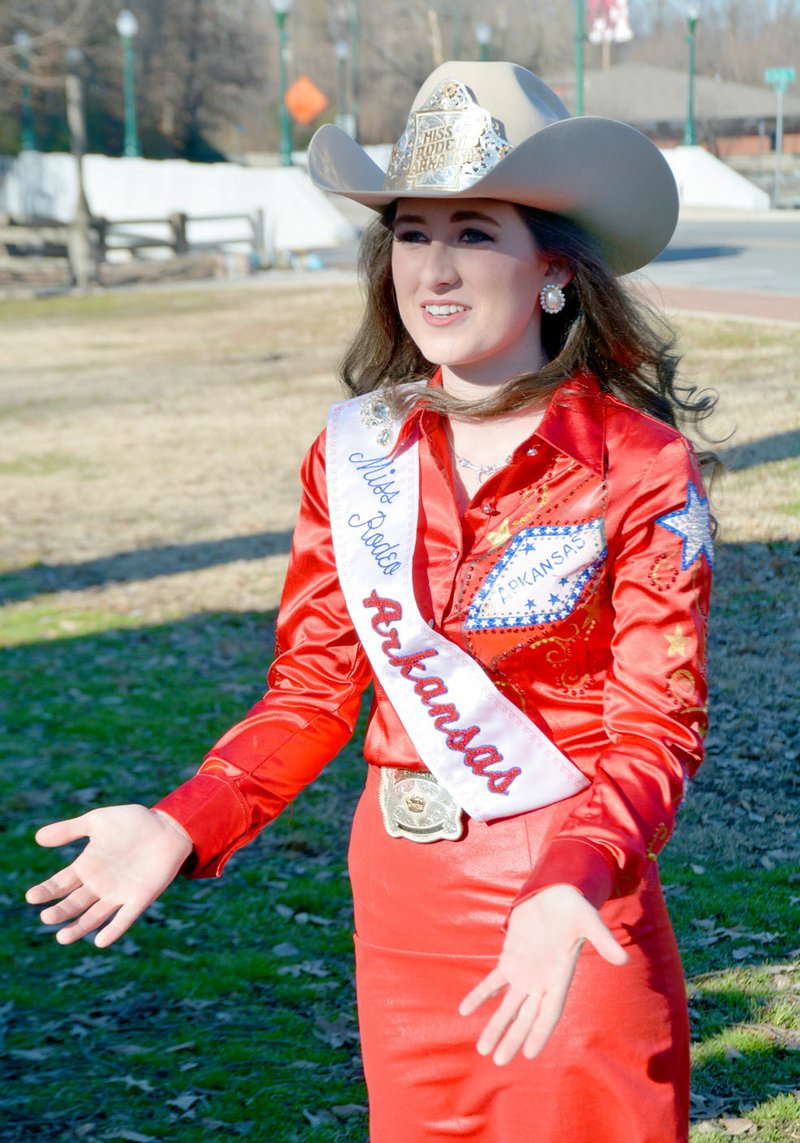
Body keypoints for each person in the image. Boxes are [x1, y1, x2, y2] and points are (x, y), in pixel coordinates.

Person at [26, 61, 715, 1142]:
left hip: (564, 893)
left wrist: (567, 878)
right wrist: (181, 818)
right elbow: (312, 688)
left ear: (554, 273)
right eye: (409, 232)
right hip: (399, 899)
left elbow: (654, 729)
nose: (432, 271)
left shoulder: (636, 467)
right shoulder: (354, 453)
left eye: (473, 232)